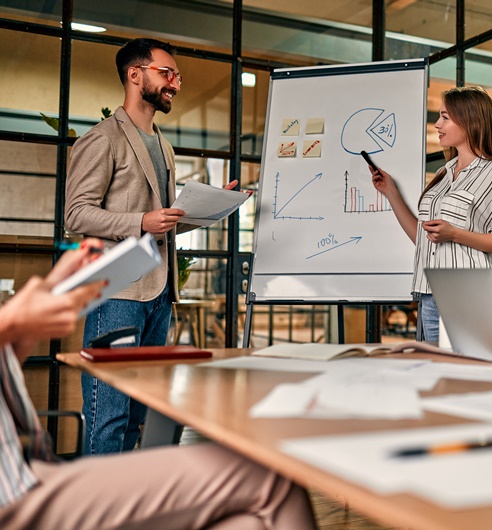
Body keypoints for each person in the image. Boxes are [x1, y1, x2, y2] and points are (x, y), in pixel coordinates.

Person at [0, 243, 317, 530]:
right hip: (14, 492)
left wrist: (46, 302)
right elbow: (79, 210)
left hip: (29, 465)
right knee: (270, 480)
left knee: (248, 524)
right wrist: (13, 319)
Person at [65, 38, 248, 455]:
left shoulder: (162, 144)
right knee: (107, 413)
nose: (175, 83)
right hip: (118, 294)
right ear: (135, 74)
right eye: (167, 73)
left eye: (177, 76)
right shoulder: (103, 139)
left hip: (159, 294)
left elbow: (159, 226)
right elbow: (75, 215)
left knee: (136, 413)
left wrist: (207, 209)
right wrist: (141, 221)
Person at [371, 86, 492, 342]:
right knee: (439, 373)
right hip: (431, 292)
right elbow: (423, 239)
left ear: (469, 121)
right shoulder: (442, 175)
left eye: (445, 117)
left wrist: (455, 234)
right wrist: (391, 193)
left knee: (467, 373)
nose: (437, 124)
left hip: (468, 294)